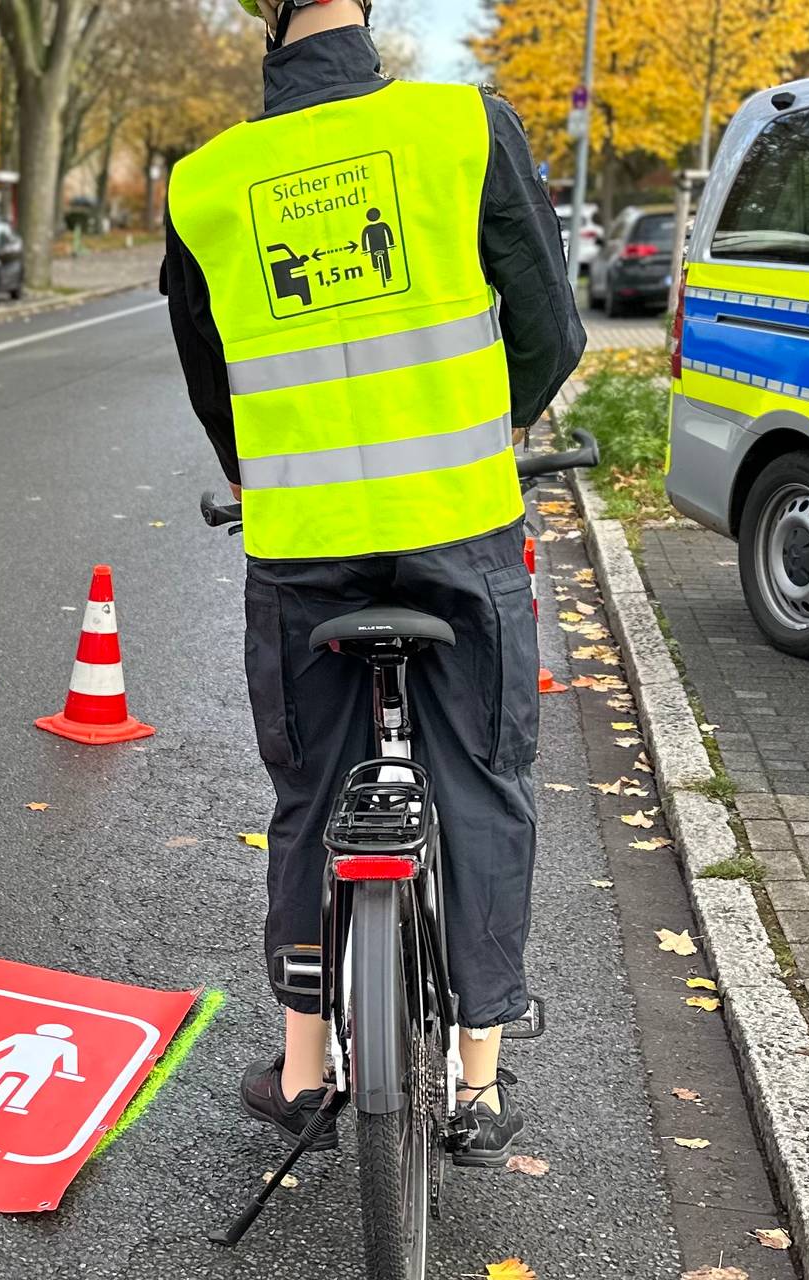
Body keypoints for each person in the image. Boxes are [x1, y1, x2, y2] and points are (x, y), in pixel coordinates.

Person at [157, 0, 584, 1169]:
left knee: (309, 792)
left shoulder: (206, 180)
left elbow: (216, 385)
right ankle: (480, 1078)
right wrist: (479, 433)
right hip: (460, 526)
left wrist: (270, 478)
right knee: (486, 779)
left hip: (303, 543)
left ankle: (301, 1068)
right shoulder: (460, 127)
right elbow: (549, 328)